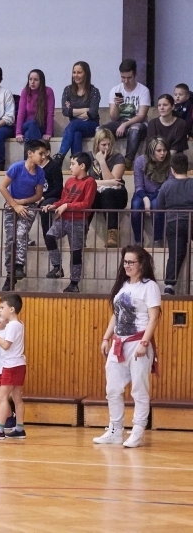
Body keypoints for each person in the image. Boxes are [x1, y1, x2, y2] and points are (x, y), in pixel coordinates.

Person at [95, 245, 160, 448]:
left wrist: (144, 342)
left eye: (131, 262)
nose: (127, 265)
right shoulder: (123, 285)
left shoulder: (149, 286)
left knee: (139, 390)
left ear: (141, 264)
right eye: (125, 262)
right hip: (118, 344)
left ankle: (138, 430)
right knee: (112, 389)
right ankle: (115, 430)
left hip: (138, 343)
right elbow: (117, 314)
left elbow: (154, 317)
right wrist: (106, 337)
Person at [43, 152, 97, 293]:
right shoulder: (69, 181)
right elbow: (63, 200)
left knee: (76, 252)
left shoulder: (90, 181)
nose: (70, 166)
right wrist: (54, 205)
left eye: (73, 164)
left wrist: (67, 206)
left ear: (82, 166)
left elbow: (86, 203)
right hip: (64, 218)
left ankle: (74, 282)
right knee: (49, 236)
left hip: (78, 221)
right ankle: (57, 267)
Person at [0, 140, 47, 291]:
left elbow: (38, 195)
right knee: (10, 239)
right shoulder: (17, 167)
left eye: (45, 154)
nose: (43, 157)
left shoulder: (40, 172)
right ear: (30, 153)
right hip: (12, 205)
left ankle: (19, 265)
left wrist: (22, 202)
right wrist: (14, 204)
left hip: (28, 207)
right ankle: (9, 274)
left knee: (21, 234)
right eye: (41, 154)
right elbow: (2, 187)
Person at [0, 294, 27, 440]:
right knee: (17, 398)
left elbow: (6, 346)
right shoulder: (19, 324)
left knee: (2, 397)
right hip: (18, 364)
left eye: (2, 308)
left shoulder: (13, 325)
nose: (0, 311)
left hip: (11, 365)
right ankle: (19, 428)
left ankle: (0, 430)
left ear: (12, 309)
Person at [101, 59, 151, 169]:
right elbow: (113, 117)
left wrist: (124, 125)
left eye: (129, 78)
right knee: (100, 130)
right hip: (119, 122)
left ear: (135, 74)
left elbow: (141, 116)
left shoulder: (143, 91)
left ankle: (127, 162)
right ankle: (105, 159)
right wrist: (116, 105)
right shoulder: (115, 90)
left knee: (134, 130)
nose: (126, 81)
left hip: (138, 124)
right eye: (123, 78)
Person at [158, 153, 193, 294]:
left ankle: (169, 286)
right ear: (188, 167)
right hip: (192, 219)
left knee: (175, 254)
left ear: (172, 170)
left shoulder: (166, 185)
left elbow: (160, 206)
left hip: (174, 222)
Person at [87, 129, 127, 248]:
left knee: (108, 192)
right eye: (104, 145)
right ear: (96, 144)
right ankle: (81, 232)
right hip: (97, 196)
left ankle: (112, 233)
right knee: (90, 193)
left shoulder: (118, 157)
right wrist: (107, 182)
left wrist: (102, 162)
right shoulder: (88, 157)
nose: (107, 148)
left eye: (109, 144)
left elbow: (113, 184)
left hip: (116, 196)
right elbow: (85, 182)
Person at [56, 61, 101, 163]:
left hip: (91, 125)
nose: (76, 75)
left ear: (86, 73)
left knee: (73, 124)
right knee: (76, 134)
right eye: (74, 72)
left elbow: (93, 113)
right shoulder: (68, 90)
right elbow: (65, 111)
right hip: (76, 126)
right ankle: (77, 162)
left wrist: (73, 111)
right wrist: (86, 109)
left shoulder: (94, 91)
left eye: (79, 72)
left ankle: (60, 155)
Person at [131, 137, 171, 246]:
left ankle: (158, 240)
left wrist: (151, 199)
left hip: (160, 193)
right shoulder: (140, 161)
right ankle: (138, 241)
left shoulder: (169, 163)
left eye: (165, 150)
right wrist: (145, 199)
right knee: (135, 206)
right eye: (159, 151)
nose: (162, 154)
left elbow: (166, 186)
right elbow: (138, 186)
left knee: (156, 205)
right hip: (142, 193)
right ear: (152, 151)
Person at [15, 69, 55, 149]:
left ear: (41, 81)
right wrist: (18, 132)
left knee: (27, 134)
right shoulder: (25, 91)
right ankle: (39, 153)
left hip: (41, 126)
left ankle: (28, 160)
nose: (32, 82)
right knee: (32, 123)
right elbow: (21, 113)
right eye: (30, 79)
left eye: (36, 80)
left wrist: (48, 133)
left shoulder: (48, 91)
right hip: (27, 124)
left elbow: (50, 113)